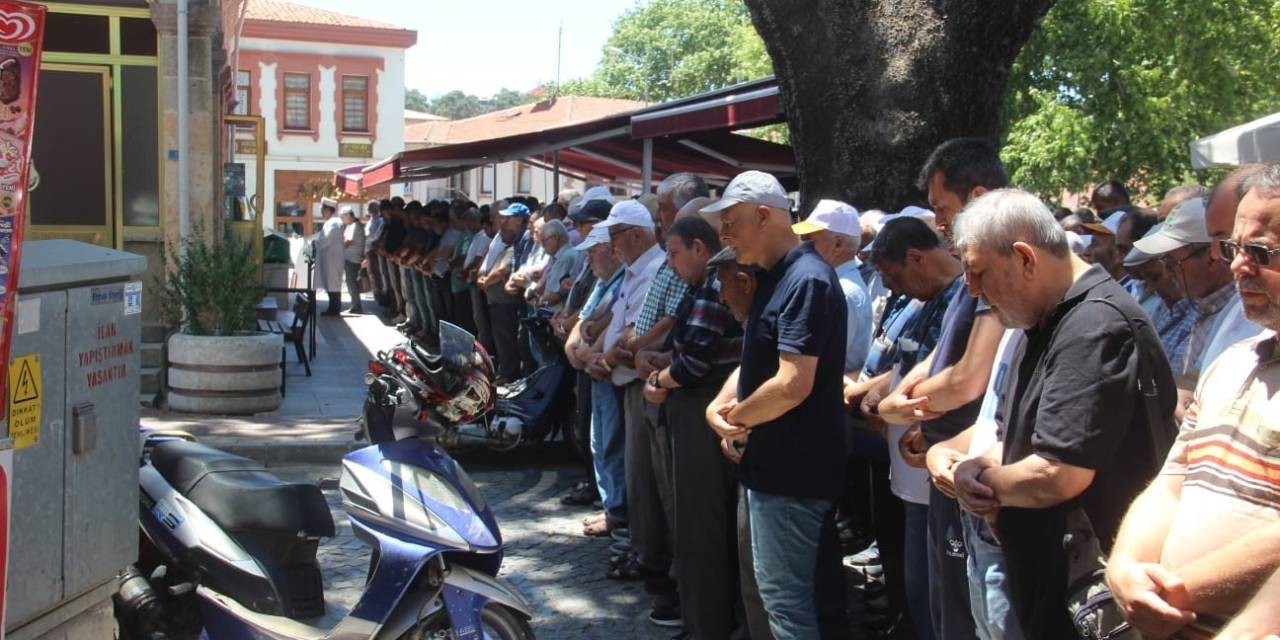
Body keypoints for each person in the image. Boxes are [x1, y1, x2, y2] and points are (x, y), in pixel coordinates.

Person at [949, 189, 1177, 639]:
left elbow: (1059, 472)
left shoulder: (1093, 326)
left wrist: (979, 485)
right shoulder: (1044, 320)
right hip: (1054, 583)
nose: (971, 289)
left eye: (978, 273)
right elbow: (1030, 437)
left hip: (1089, 597)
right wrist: (980, 464)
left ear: (1024, 259)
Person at [1105, 164, 1280, 639]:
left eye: (1260, 252)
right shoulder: (1233, 362)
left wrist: (1169, 590)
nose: (1237, 265)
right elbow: (1172, 481)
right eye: (1233, 248)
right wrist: (1124, 568)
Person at [702, 170, 847, 640]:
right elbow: (756, 361)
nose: (723, 235)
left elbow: (791, 384)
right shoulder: (775, 277)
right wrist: (720, 409)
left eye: (730, 223)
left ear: (764, 215)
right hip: (774, 470)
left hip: (793, 474)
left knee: (789, 607)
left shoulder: (806, 280)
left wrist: (735, 420)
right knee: (781, 601)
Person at [878, 137, 1008, 639]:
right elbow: (938, 356)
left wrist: (900, 410)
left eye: (943, 209)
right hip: (946, 462)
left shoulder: (997, 270)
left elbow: (969, 375)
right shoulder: (970, 277)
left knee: (965, 611)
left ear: (977, 197)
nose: (939, 224)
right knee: (945, 604)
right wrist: (906, 400)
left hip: (971, 470)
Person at [858, 216, 967, 640]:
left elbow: (956, 378)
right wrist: (880, 393)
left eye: (894, 275)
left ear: (917, 258)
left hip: (934, 468)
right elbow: (910, 364)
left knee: (935, 590)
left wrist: (890, 406)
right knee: (916, 579)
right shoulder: (930, 299)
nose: (893, 288)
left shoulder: (965, 299)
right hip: (910, 472)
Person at [645, 217, 743, 640]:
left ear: (700, 248)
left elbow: (695, 362)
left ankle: (709, 626)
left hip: (701, 415)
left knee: (700, 531)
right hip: (700, 411)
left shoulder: (710, 292)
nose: (670, 263)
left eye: (674, 252)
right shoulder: (702, 289)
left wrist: (660, 379)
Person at [593, 200, 672, 626]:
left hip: (642, 385)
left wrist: (607, 358)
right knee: (635, 476)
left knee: (646, 482)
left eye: (616, 237)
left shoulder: (656, 269)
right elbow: (612, 328)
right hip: (626, 383)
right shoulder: (632, 271)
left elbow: (636, 336)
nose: (612, 246)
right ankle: (646, 556)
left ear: (637, 236)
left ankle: (654, 563)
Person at [1134, 198, 1239, 416]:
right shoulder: (1196, 307)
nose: (1169, 271)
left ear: (1212, 256)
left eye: (1173, 261)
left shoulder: (1244, 316)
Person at [565, 225, 629, 537]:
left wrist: (589, 350)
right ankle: (611, 506)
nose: (589, 257)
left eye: (594, 250)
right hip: (595, 368)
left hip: (608, 371)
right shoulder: (605, 280)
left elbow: (619, 323)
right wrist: (574, 345)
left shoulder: (624, 277)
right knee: (598, 440)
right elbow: (585, 319)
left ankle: (616, 510)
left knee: (610, 441)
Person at [792, 199, 874, 374]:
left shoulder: (841, 291)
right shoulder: (839, 285)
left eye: (809, 240)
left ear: (837, 244)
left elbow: (819, 361)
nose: (802, 246)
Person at [1201, 165, 1269, 367]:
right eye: (1232, 245)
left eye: (1255, 247)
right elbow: (1200, 372)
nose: (1214, 254)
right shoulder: (1237, 305)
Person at [478, 202, 528, 382]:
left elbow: (503, 270)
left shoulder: (519, 244)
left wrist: (486, 281)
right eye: (504, 218)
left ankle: (509, 374)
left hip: (506, 301)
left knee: (506, 340)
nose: (504, 222)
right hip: (499, 300)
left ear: (519, 221)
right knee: (502, 339)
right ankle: (506, 372)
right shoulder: (508, 242)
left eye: (509, 218)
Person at [315, 197, 347, 315]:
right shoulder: (332, 222)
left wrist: (316, 244)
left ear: (328, 209)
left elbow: (326, 239)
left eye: (323, 210)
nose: (322, 213)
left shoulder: (334, 223)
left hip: (333, 258)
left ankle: (334, 309)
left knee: (333, 283)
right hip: (331, 258)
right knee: (331, 283)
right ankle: (333, 308)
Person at [340, 205, 365, 315]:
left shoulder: (355, 226)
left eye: (343, 217)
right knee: (350, 282)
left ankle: (356, 306)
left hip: (353, 259)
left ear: (349, 216)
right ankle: (355, 305)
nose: (342, 219)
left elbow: (347, 241)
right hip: (350, 258)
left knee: (351, 282)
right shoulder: (350, 226)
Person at [364, 200, 385, 305]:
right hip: (368, 249)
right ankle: (376, 293)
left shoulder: (379, 221)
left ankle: (380, 294)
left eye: (372, 207)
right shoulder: (370, 220)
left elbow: (375, 236)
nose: (370, 209)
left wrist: (367, 239)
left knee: (375, 273)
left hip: (373, 249)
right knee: (371, 273)